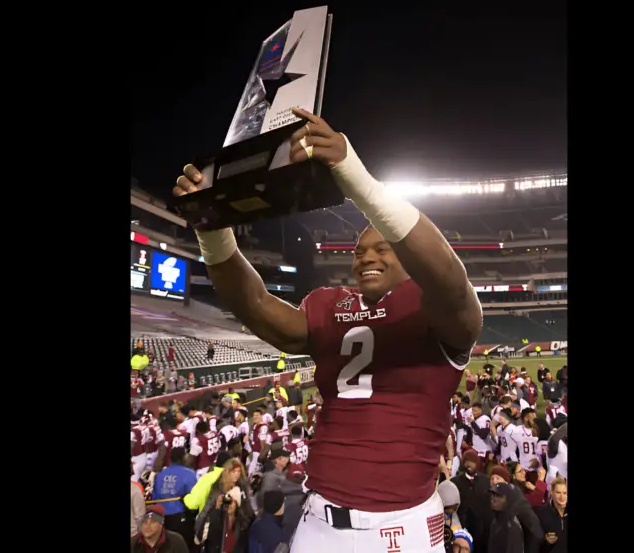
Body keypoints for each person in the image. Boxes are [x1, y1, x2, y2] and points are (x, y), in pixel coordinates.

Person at [174, 108, 483, 553]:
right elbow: (257, 307)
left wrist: (354, 176)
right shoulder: (330, 304)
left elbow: (451, 283)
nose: (365, 257)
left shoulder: (432, 305)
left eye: (382, 248)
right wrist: (211, 225)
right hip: (320, 521)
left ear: (407, 257)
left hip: (402, 526)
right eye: (358, 252)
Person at [153, 447, 199, 545]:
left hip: (161, 518)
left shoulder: (160, 474)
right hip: (180, 518)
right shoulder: (189, 474)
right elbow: (194, 498)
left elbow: (155, 498)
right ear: (182, 458)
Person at [536, 477, 567, 552]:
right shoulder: (541, 513)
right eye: (558, 493)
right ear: (552, 493)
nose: (562, 497)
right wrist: (546, 541)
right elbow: (535, 542)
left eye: (565, 493)